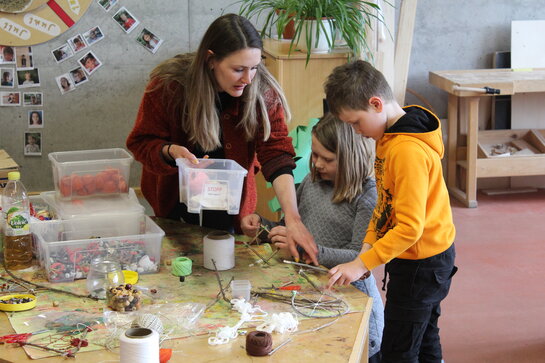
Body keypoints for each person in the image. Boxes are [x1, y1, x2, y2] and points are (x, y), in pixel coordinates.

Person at [126, 14, 317, 263]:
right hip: (174, 209)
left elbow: (276, 153)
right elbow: (141, 143)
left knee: (224, 265)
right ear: (211, 60)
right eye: (238, 69)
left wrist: (293, 217)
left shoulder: (262, 92)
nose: (248, 79)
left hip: (230, 208)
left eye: (255, 68)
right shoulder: (168, 86)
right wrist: (171, 152)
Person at [324, 60, 457, 363]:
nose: (356, 132)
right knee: (422, 337)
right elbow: (385, 207)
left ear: (375, 103)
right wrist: (366, 251)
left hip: (422, 264)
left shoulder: (405, 150)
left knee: (399, 350)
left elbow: (410, 228)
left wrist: (361, 264)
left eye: (356, 122)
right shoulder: (390, 138)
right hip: (419, 259)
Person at [241, 114, 384, 362]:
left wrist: (307, 250)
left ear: (351, 157)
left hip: (352, 302)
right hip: (310, 295)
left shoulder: (367, 197)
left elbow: (359, 260)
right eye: (314, 155)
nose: (316, 164)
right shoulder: (311, 182)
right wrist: (263, 228)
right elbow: (290, 229)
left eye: (327, 159)